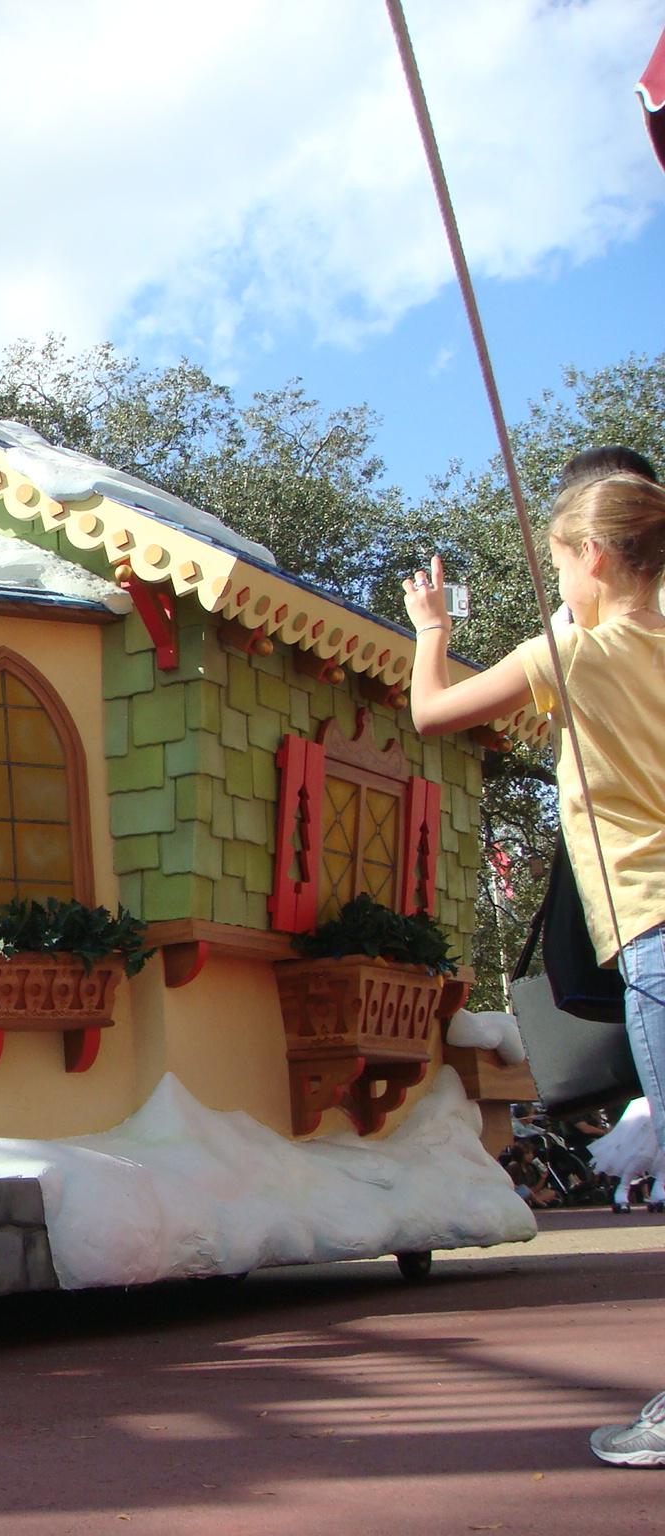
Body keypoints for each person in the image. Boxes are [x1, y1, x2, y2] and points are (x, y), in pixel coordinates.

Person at [401, 464, 665, 1467]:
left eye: (559, 561)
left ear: (590, 557)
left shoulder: (569, 652)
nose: (557, 579)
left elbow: (434, 711)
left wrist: (431, 627)